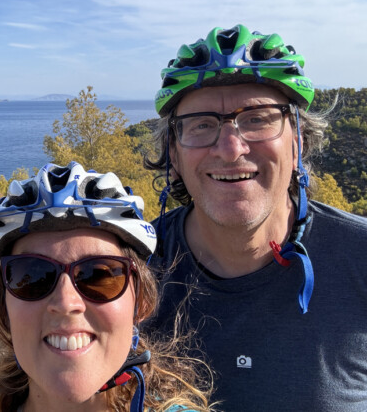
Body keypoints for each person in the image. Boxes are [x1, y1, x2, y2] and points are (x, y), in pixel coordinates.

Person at [143, 24, 367, 411]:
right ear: (174, 156)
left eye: (258, 119)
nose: (231, 149)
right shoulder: (123, 274)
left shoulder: (360, 257)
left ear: (297, 144)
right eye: (201, 124)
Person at [0, 162, 212, 412]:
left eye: (98, 276)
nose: (66, 303)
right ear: (3, 306)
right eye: (32, 277)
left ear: (141, 301)